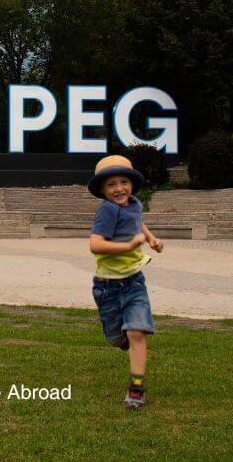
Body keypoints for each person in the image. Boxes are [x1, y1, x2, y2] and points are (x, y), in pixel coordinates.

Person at [87, 154, 164, 409]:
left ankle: (136, 388)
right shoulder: (107, 210)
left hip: (134, 281)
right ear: (102, 189)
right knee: (115, 338)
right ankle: (124, 340)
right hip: (107, 286)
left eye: (123, 182)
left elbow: (138, 222)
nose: (119, 189)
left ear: (131, 183)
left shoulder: (134, 204)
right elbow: (95, 245)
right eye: (111, 184)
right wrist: (127, 245)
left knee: (136, 331)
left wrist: (151, 239)